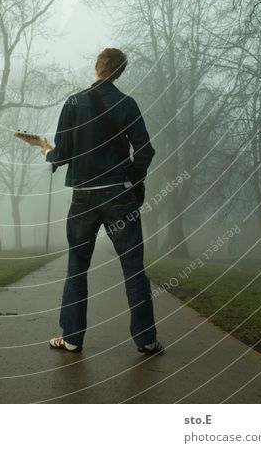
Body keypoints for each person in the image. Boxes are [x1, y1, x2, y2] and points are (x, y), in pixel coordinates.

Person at [39, 47, 164, 356]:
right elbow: (145, 151)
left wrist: (45, 150)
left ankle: (71, 339)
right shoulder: (127, 104)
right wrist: (130, 180)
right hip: (119, 196)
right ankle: (146, 340)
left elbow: (63, 154)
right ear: (120, 72)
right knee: (134, 268)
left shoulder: (74, 102)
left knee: (77, 268)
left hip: (83, 198)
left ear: (96, 67)